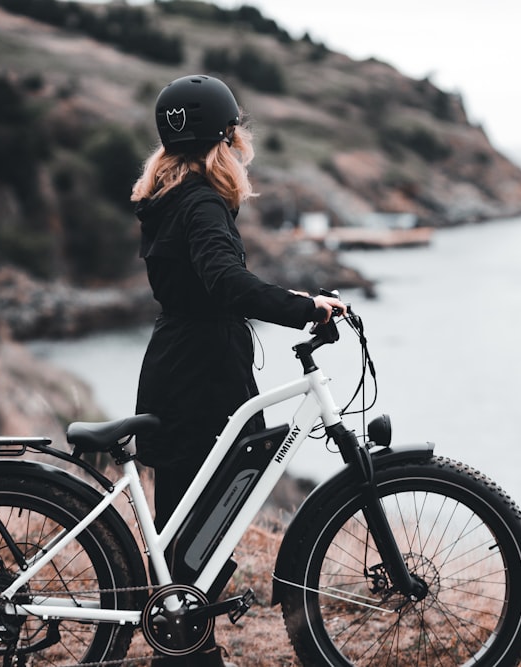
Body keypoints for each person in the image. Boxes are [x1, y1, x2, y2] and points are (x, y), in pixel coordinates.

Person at [130, 74, 346, 667]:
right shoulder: (200, 200)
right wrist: (304, 309)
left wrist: (293, 298)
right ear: (224, 139)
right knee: (209, 523)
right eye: (235, 133)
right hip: (202, 376)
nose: (240, 144)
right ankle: (184, 652)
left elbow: (210, 283)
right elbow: (225, 283)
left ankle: (184, 649)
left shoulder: (171, 195)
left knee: (193, 524)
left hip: (185, 364)